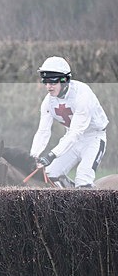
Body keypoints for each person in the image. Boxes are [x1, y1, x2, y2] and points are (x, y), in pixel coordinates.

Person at [29, 56, 109, 188]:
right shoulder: (48, 102)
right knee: (50, 175)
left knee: (83, 180)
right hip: (71, 139)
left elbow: (76, 132)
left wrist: (50, 155)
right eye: (46, 82)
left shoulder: (83, 95)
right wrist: (33, 156)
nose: (48, 87)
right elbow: (43, 131)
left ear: (65, 81)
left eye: (53, 83)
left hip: (93, 138)